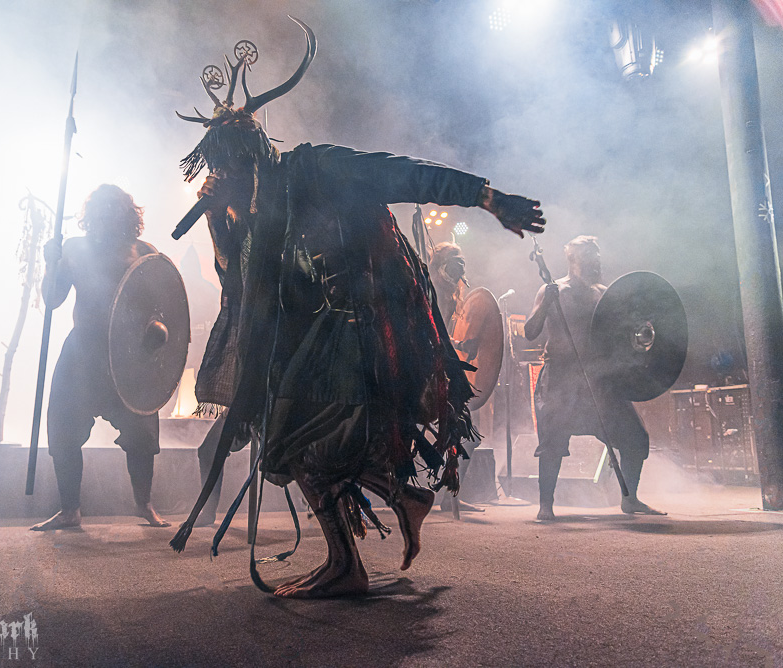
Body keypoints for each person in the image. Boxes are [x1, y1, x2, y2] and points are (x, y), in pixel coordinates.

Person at [168, 20, 545, 598]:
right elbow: (238, 284)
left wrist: (488, 197)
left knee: (293, 444)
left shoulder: (315, 167)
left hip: (361, 326)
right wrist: (221, 215)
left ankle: (350, 560)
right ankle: (402, 502)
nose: (230, 181)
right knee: (298, 443)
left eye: (234, 170)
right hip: (317, 334)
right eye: (222, 174)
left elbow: (405, 175)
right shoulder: (258, 213)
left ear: (255, 156)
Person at [31, 185, 170, 531]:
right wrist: (51, 265)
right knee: (63, 429)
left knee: (141, 434)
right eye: (101, 209)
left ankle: (145, 504)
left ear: (126, 215)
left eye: (114, 209)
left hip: (129, 358)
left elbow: (165, 307)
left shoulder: (145, 253)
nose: (107, 215)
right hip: (82, 352)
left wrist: (157, 332)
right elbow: (52, 299)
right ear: (91, 215)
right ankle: (69, 509)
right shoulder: (75, 249)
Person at [523, 235, 664, 521]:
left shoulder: (604, 293)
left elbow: (620, 336)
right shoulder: (553, 290)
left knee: (635, 437)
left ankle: (630, 498)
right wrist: (544, 303)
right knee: (552, 443)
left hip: (601, 380)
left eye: (597, 258)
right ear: (574, 259)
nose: (595, 263)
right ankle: (545, 504)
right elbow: (530, 331)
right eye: (589, 257)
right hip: (561, 378)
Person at [429, 242, 484, 513]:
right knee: (461, 431)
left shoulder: (452, 292)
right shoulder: (433, 289)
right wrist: (459, 345)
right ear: (440, 264)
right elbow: (432, 330)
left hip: (442, 363)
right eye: (455, 260)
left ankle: (450, 494)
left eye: (462, 260)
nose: (461, 266)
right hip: (428, 366)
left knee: (465, 435)